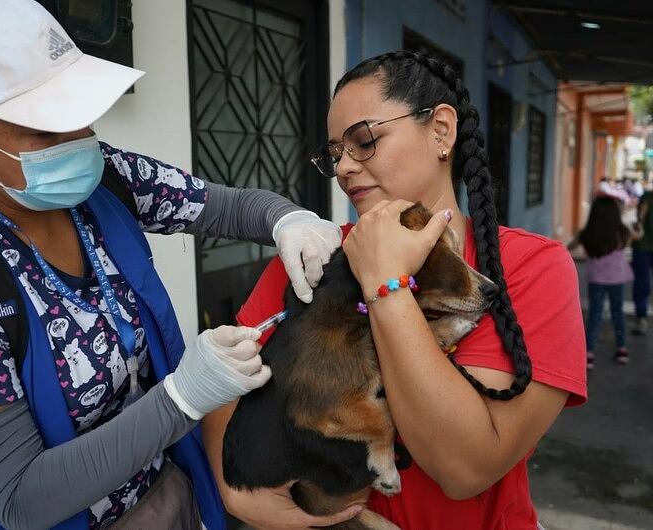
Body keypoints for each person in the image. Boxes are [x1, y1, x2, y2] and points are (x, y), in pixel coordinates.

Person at [0, 1, 342, 529]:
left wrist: (290, 221)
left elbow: (230, 207)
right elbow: (19, 499)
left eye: (80, 115)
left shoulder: (105, 182)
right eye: (46, 130)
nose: (80, 142)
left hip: (169, 493)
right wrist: (183, 397)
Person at [202, 50, 587, 530]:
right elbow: (225, 387)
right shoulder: (314, 257)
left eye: (364, 141)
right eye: (335, 153)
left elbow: (463, 467)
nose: (344, 168)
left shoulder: (534, 267)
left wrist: (387, 282)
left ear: (441, 131)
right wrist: (236, 493)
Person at [570, 196, 636, 368]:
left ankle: (589, 353)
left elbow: (568, 247)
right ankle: (622, 348)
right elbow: (632, 239)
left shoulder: (586, 233)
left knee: (595, 314)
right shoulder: (622, 232)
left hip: (596, 279)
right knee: (617, 312)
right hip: (616, 280)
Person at [631, 188, 653, 335]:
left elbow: (640, 219)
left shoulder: (647, 196)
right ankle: (641, 316)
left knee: (642, 283)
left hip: (643, 247)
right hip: (643, 246)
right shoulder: (647, 196)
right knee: (642, 283)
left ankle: (642, 317)